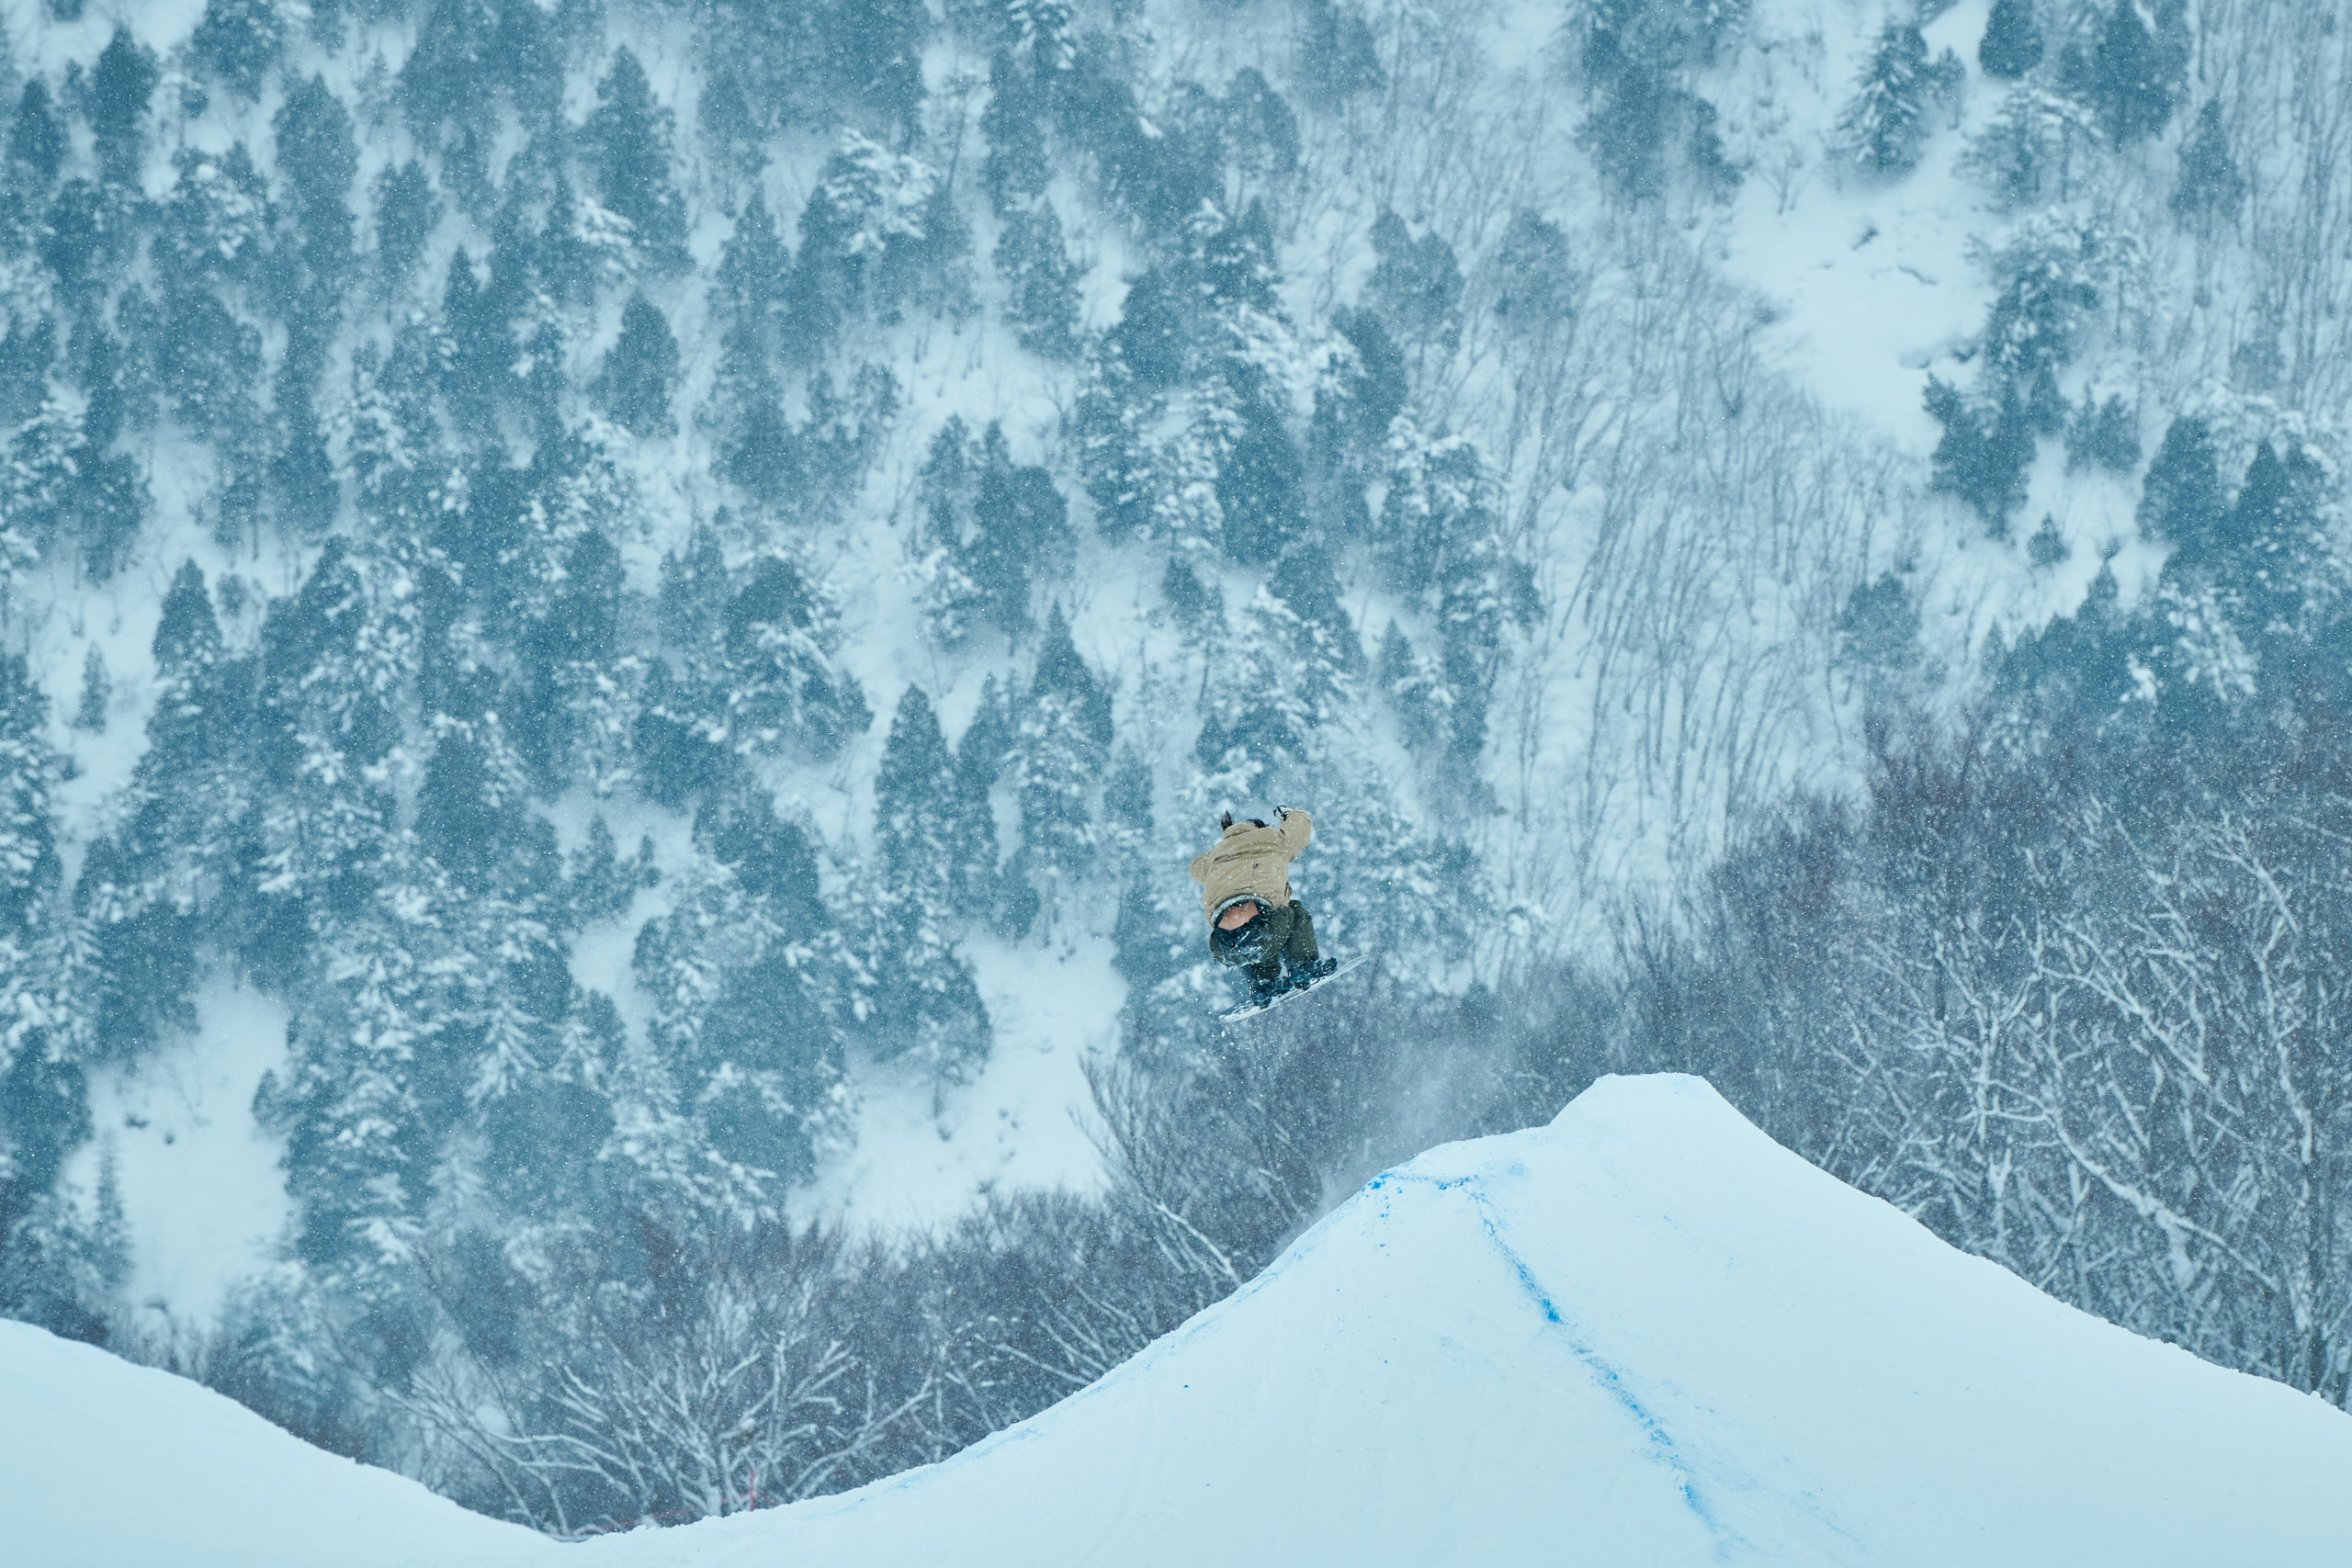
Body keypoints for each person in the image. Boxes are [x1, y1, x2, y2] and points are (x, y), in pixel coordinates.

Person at [1189, 806, 1338, 1008]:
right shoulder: (1272, 838)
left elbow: (1195, 868)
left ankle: (1263, 983)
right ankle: (1304, 967)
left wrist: (1224, 847)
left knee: (1257, 924)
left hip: (1223, 946)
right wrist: (1291, 814)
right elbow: (1300, 829)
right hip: (1262, 934)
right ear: (1260, 828)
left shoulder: (1216, 856)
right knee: (1290, 913)